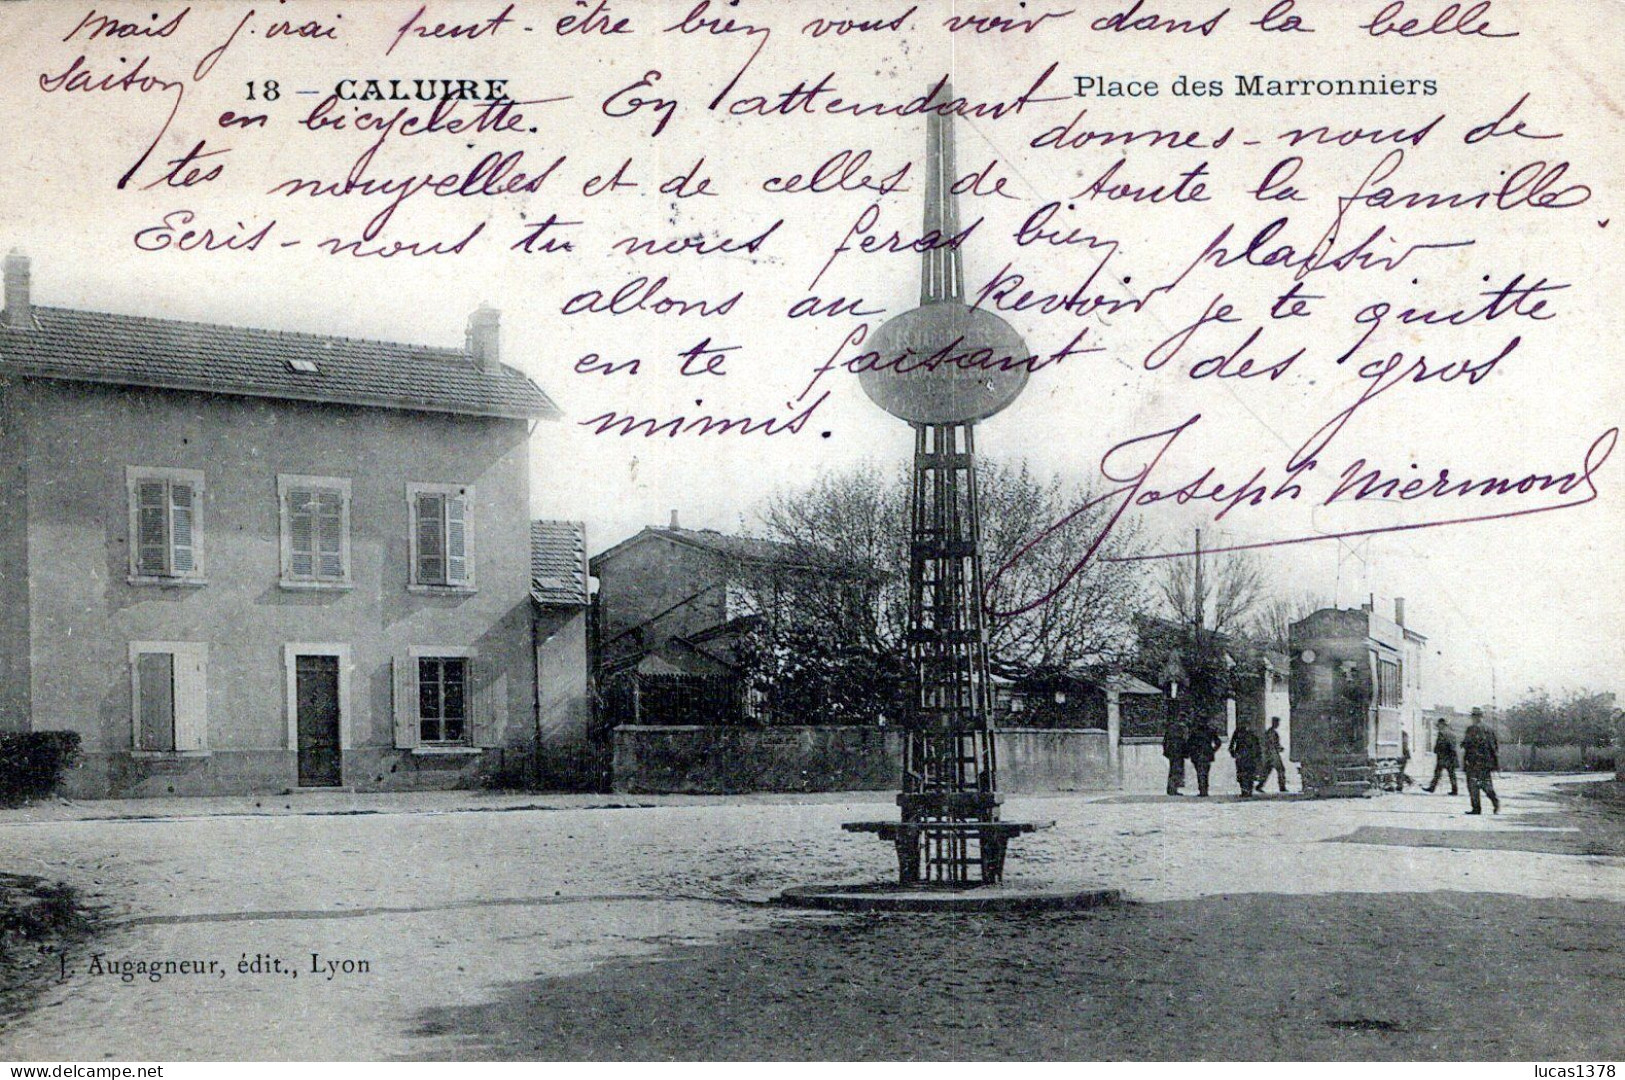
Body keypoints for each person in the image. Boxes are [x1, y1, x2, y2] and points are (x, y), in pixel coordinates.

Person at [1461, 707, 1501, 815]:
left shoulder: (1474, 729)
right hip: (1481, 762)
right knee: (1480, 785)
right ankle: (1488, 803)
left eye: (1475, 716)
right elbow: (1495, 747)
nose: (1474, 718)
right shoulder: (1488, 729)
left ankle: (1483, 806)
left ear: (1478, 717)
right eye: (1473, 716)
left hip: (1477, 762)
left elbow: (1467, 744)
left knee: (1477, 785)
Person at [1185, 721, 1223, 797]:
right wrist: (1213, 750)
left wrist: (1190, 752)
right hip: (1206, 754)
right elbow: (1218, 742)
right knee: (1204, 772)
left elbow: (1189, 743)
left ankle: (1202, 790)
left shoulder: (1195, 732)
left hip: (1198, 754)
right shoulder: (1210, 731)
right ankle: (1204, 789)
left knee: (1200, 772)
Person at [1422, 719, 1459, 795]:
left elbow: (1440, 744)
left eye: (1439, 725)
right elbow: (1454, 746)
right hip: (1451, 757)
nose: (1438, 727)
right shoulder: (1452, 733)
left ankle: (1432, 788)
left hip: (1443, 757)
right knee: (1452, 774)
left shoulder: (1442, 733)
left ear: (1442, 724)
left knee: (1437, 773)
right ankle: (1454, 790)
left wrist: (1436, 750)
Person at [1256, 716, 1288, 793]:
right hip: (1273, 754)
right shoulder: (1272, 733)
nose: (1278, 724)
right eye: (1277, 723)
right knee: (1281, 769)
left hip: (1269, 754)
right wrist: (1279, 748)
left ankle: (1259, 786)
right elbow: (1272, 744)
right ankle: (1282, 787)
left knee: (1267, 771)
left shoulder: (1269, 732)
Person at [1230, 722, 1262, 798]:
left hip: (1248, 756)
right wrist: (1233, 753)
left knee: (1248, 773)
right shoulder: (1238, 732)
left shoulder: (1251, 733)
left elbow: (1257, 745)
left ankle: (1247, 791)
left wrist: (1258, 756)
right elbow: (1232, 744)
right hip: (1243, 756)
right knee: (1243, 774)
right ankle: (1245, 791)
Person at [1163, 716, 1187, 796]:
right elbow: (1184, 741)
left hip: (1172, 752)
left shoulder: (1171, 728)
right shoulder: (1182, 729)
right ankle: (1173, 789)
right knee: (1176, 770)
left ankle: (1171, 788)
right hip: (1179, 753)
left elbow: (1165, 741)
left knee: (1173, 770)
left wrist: (1166, 751)